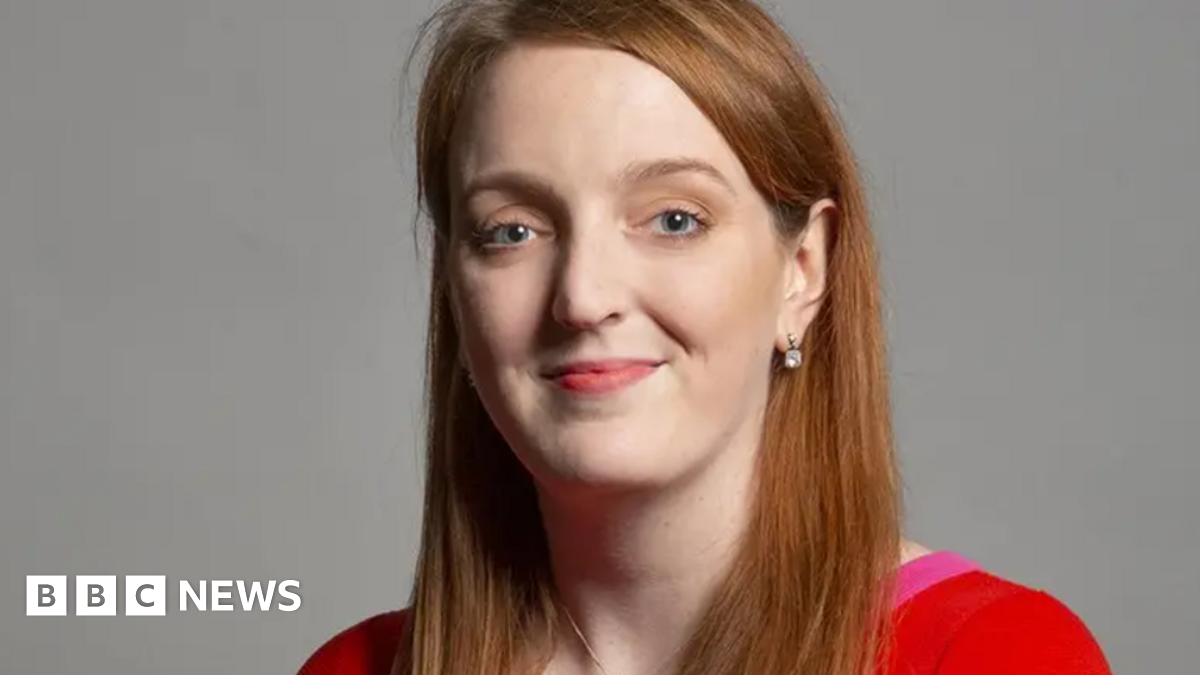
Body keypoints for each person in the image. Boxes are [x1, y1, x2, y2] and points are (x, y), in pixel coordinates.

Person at [298, 0, 1112, 673]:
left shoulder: (993, 654)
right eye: (511, 231)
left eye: (674, 219)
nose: (584, 296)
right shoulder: (355, 668)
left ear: (802, 268)